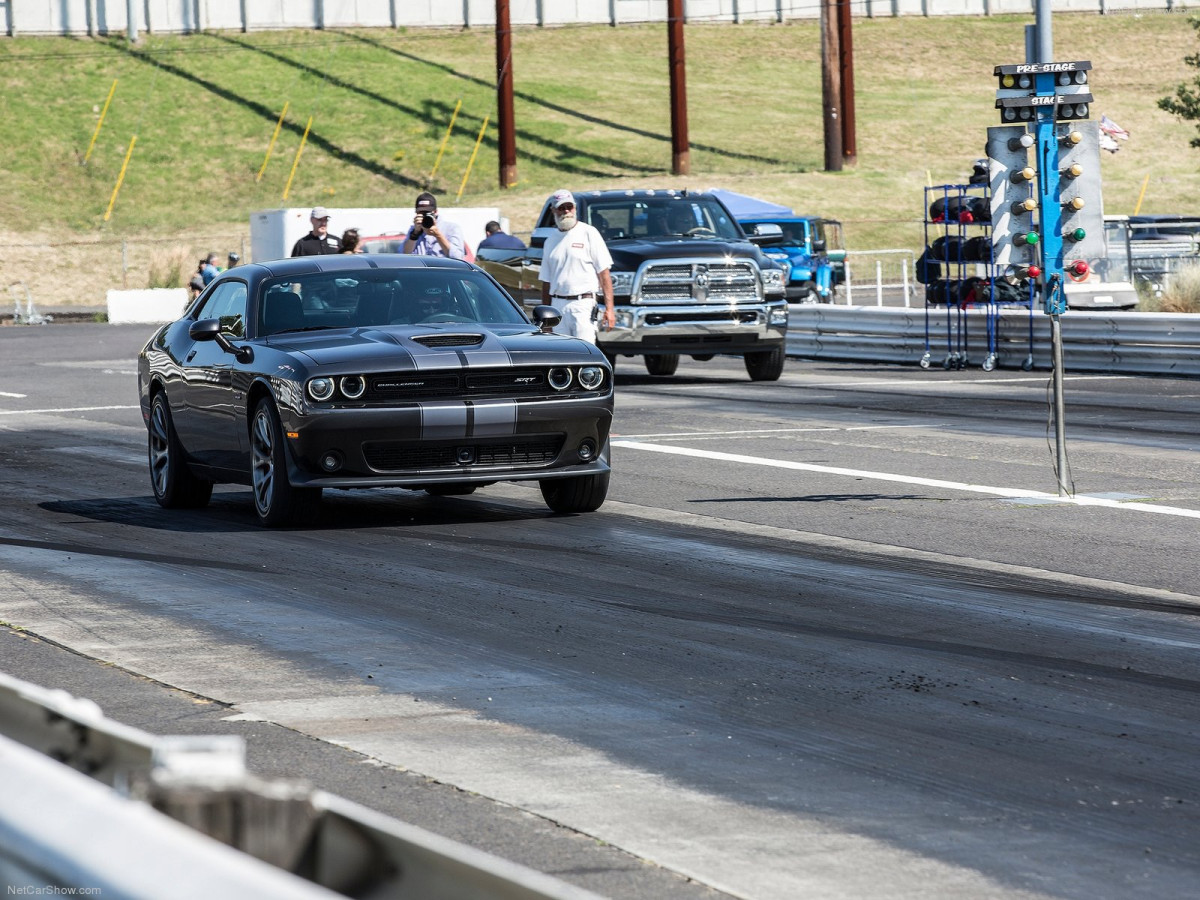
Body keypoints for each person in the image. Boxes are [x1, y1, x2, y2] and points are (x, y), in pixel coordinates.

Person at [539, 189, 615, 342]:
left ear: (574, 208)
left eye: (569, 207)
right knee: (562, 355)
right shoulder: (550, 241)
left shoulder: (589, 233)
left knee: (585, 351)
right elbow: (546, 282)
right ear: (553, 210)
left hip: (583, 304)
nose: (566, 211)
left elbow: (604, 274)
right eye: (561, 208)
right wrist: (546, 317)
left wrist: (610, 309)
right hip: (557, 305)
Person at [402, 192, 466, 260]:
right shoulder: (414, 230)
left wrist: (438, 235)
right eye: (420, 213)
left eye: (427, 213)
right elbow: (403, 257)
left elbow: (458, 257)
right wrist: (415, 234)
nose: (424, 216)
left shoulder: (452, 228)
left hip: (442, 269)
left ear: (435, 212)